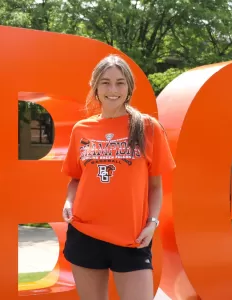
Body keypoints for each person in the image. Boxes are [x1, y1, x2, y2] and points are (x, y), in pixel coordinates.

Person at [61, 54, 175, 300]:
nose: (113, 89)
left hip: (133, 238)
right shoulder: (81, 129)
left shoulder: (148, 127)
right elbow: (76, 179)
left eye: (120, 82)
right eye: (105, 82)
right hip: (85, 233)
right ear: (95, 87)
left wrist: (152, 223)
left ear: (129, 87)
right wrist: (69, 202)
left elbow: (156, 186)